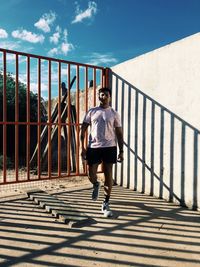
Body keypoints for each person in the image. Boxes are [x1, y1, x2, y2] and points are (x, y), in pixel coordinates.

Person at [80, 87, 124, 217]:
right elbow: (82, 130)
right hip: (93, 147)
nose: (103, 97)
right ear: (99, 97)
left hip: (110, 147)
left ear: (110, 97)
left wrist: (121, 151)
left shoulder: (114, 113)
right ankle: (95, 184)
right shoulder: (92, 111)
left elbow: (119, 133)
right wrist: (82, 148)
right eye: (101, 94)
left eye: (106, 95)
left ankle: (106, 202)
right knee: (91, 174)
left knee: (108, 173)